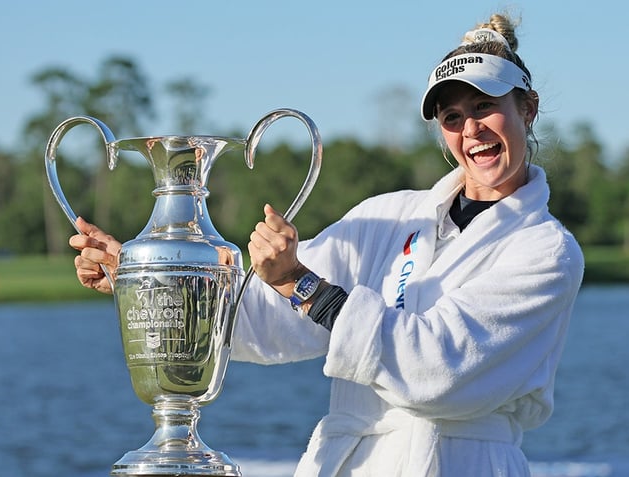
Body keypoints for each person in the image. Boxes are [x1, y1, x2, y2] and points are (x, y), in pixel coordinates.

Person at [70, 12, 584, 477]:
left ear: (528, 108)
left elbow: (439, 370)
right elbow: (262, 321)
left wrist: (300, 282)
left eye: (485, 107)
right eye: (451, 117)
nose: (471, 130)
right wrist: (144, 279)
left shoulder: (544, 252)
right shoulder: (387, 216)